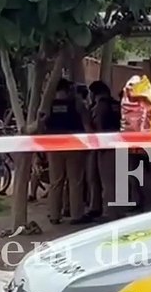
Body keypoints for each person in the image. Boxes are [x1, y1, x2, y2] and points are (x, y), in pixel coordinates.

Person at [43, 79, 88, 225]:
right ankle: (76, 215)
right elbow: (86, 121)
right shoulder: (76, 103)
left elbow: (43, 125)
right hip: (74, 145)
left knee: (56, 181)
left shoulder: (48, 105)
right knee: (75, 181)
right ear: (68, 89)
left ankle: (54, 215)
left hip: (54, 146)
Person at [87, 81, 121, 220]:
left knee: (107, 181)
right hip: (119, 143)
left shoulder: (100, 107)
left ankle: (109, 213)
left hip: (106, 147)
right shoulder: (116, 104)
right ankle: (117, 210)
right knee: (117, 180)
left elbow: (98, 127)